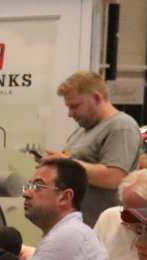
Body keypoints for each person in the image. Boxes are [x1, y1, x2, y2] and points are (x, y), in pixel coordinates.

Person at [49, 71, 141, 227]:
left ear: (96, 98)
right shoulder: (83, 130)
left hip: (102, 228)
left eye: (75, 106)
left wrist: (67, 164)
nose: (70, 113)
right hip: (78, 224)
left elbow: (114, 177)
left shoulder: (121, 126)